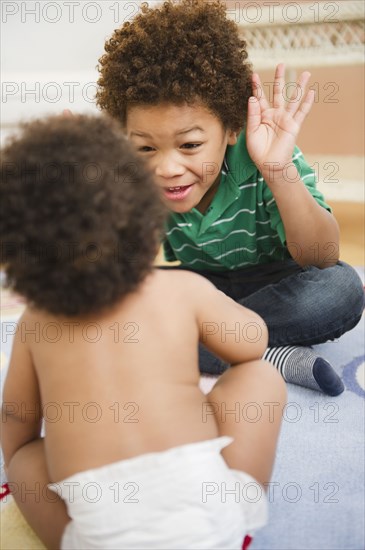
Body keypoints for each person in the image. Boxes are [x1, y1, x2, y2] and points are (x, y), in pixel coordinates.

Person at [0, 114, 286, 550]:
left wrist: (27, 459)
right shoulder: (182, 289)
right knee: (260, 377)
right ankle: (239, 514)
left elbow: (17, 419)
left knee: (26, 459)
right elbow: (252, 342)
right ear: (149, 220)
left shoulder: (37, 324)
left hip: (99, 536)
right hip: (211, 527)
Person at [95, 0, 364, 397]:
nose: (167, 168)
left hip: (279, 280)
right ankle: (276, 355)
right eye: (146, 148)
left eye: (189, 145)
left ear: (231, 128)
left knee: (340, 289)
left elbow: (321, 255)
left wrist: (278, 172)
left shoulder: (266, 155)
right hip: (204, 292)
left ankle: (191, 347)